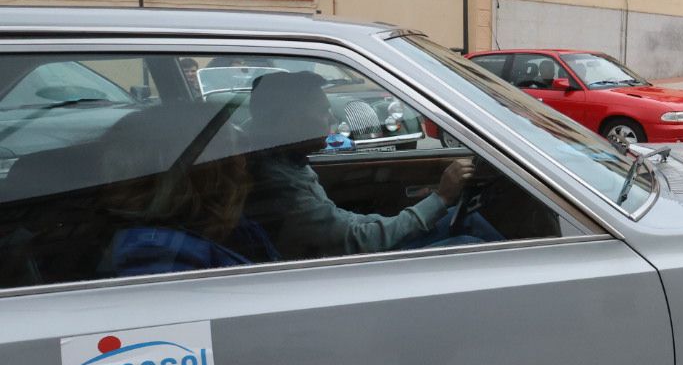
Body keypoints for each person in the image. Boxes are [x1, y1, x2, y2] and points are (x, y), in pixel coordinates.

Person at [243, 71, 493, 260]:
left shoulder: (289, 163)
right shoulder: (277, 182)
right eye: (321, 111)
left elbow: (343, 223)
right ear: (290, 120)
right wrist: (440, 198)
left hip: (345, 257)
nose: (330, 118)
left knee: (464, 220)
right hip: (344, 271)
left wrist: (407, 215)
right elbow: (357, 240)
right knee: (469, 243)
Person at [97, 103, 280, 277]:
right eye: (233, 149)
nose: (244, 160)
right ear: (208, 174)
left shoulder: (230, 226)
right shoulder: (157, 255)